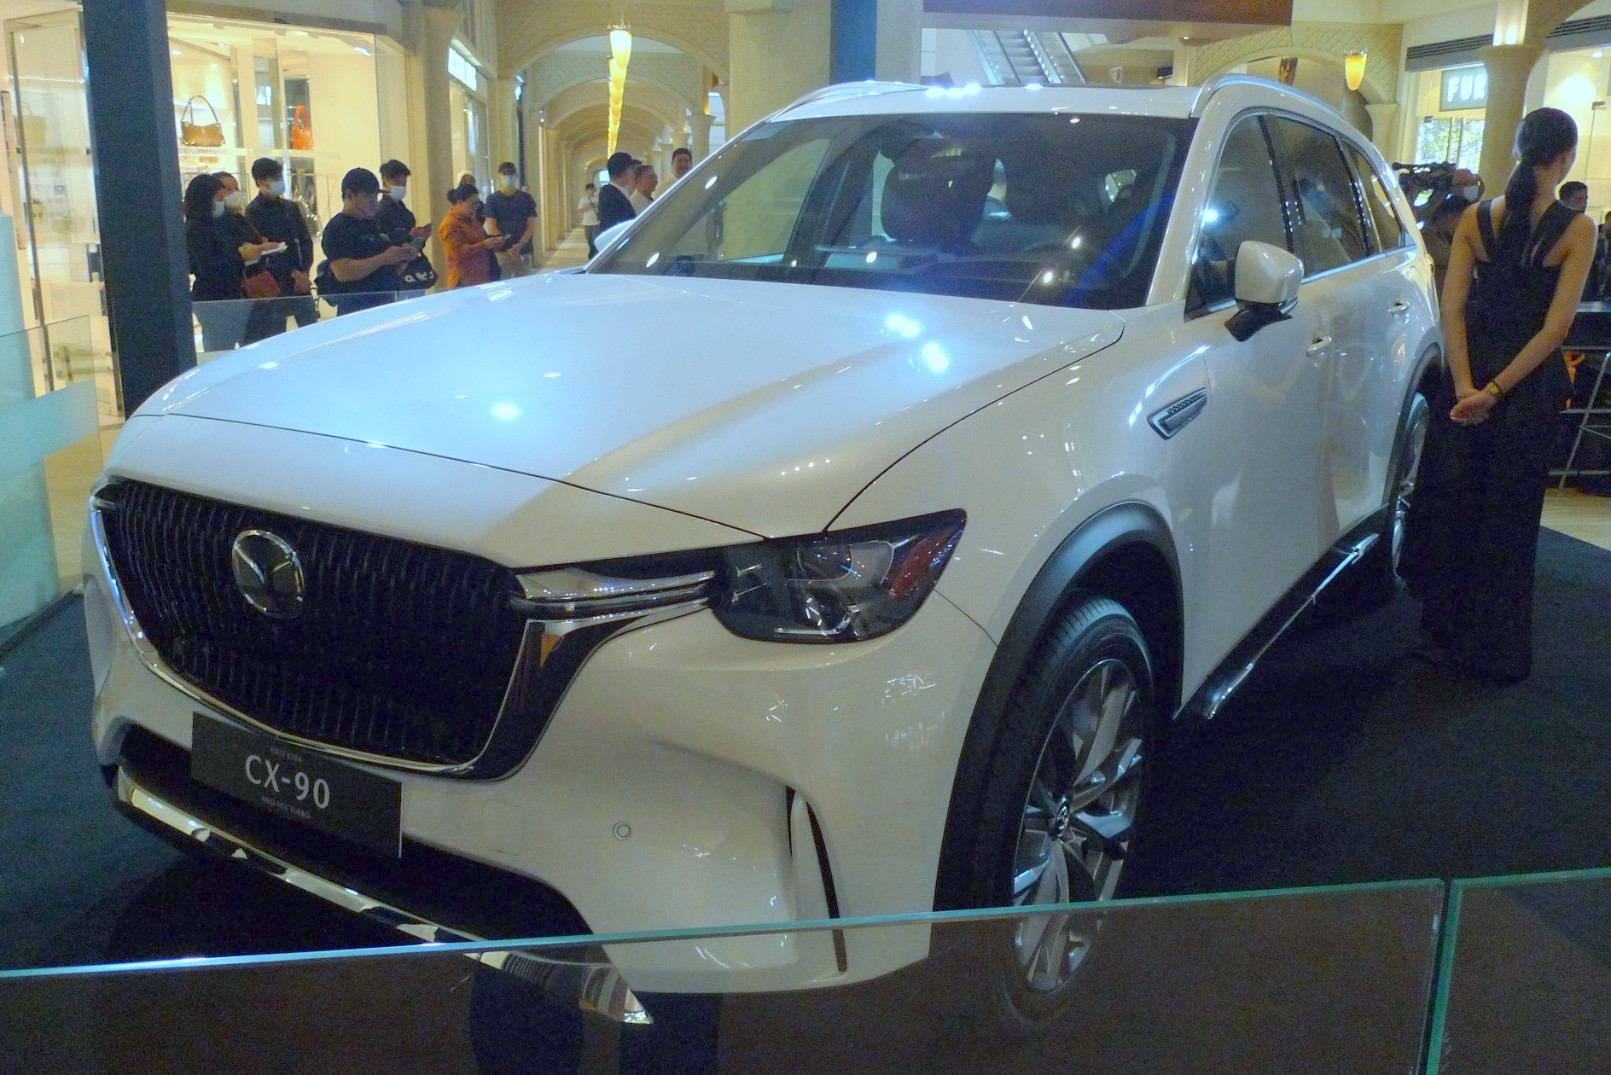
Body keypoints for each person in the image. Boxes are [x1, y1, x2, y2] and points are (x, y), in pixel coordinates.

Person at [1403, 107, 1596, 683]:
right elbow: (1555, 330)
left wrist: (1466, 385)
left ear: (1517, 149)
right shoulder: (1577, 230)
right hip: (1526, 387)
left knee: (1456, 507)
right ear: (1565, 158)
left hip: (1470, 371)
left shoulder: (1473, 218)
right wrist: (1495, 392)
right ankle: (1494, 651)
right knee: (1509, 521)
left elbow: (1453, 309)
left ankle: (1442, 632)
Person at [187, 173, 277, 351]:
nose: (222, 202)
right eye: (219, 198)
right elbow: (208, 267)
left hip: (235, 296)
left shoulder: (223, 223)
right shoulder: (196, 229)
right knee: (220, 350)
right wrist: (241, 256)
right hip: (215, 301)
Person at [319, 166, 416, 315]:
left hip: (387, 302)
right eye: (366, 197)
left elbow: (390, 270)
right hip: (357, 309)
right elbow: (343, 271)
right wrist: (384, 258)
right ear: (349, 195)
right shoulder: (338, 227)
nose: (373, 202)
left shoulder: (376, 224)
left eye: (375, 197)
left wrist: (402, 258)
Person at [246, 157, 317, 330]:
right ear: (261, 182)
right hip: (275, 280)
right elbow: (263, 251)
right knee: (276, 329)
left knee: (310, 327)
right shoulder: (254, 211)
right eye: (275, 178)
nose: (280, 181)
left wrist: (304, 271)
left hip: (300, 278)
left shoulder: (290, 207)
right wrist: (292, 272)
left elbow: (304, 239)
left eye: (280, 176)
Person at [438, 181, 502, 288]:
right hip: (463, 280)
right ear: (459, 202)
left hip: (481, 277)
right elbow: (457, 252)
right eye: (473, 204)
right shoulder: (449, 224)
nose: (475, 208)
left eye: (477, 204)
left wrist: (494, 243)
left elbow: (481, 238)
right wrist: (484, 245)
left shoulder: (472, 219)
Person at [484, 160, 538, 278]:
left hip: (523, 251)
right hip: (502, 252)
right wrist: (509, 247)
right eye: (505, 173)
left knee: (525, 284)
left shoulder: (526, 198)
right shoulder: (492, 199)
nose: (509, 176)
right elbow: (492, 227)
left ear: (516, 176)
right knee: (503, 283)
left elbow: (530, 226)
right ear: (499, 176)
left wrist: (519, 246)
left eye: (511, 173)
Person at [1421, 194, 1470, 298]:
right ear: (1450, 216)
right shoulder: (1427, 236)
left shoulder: (1446, 236)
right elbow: (1453, 258)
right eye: (1463, 220)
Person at [375, 159, 432, 246]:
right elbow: (382, 245)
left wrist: (421, 237)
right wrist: (409, 237)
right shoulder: (379, 212)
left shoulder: (407, 214)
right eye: (397, 183)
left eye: (404, 184)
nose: (401, 187)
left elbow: (415, 247)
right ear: (384, 182)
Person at [597, 151, 637, 231]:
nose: (634, 172)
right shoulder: (610, 195)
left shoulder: (616, 192)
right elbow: (610, 226)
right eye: (632, 168)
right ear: (625, 171)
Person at [579, 182, 600, 257]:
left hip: (596, 222)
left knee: (595, 238)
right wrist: (588, 207)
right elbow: (580, 210)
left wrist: (596, 205)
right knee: (588, 238)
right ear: (586, 190)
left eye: (592, 189)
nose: (591, 191)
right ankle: (592, 249)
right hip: (587, 222)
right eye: (589, 190)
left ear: (594, 189)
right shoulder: (583, 199)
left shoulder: (598, 198)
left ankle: (595, 252)